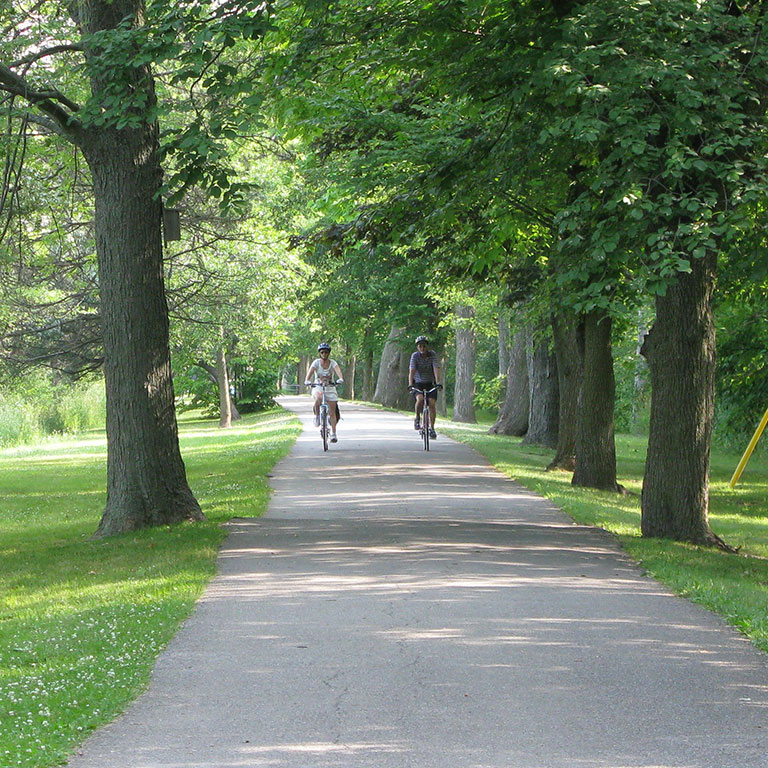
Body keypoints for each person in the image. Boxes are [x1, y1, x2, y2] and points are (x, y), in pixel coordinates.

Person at [305, 342, 344, 442]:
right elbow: (310, 372)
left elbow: (337, 370)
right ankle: (317, 416)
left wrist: (340, 378)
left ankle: (334, 433)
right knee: (318, 397)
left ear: (329, 353)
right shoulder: (316, 363)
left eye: (326, 352)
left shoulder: (333, 363)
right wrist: (307, 381)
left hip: (330, 387)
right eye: (322, 352)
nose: (324, 354)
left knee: (332, 411)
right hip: (318, 386)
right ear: (319, 353)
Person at [408, 335, 440, 439]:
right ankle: (417, 418)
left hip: (430, 382)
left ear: (427, 347)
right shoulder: (415, 356)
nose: (422, 348)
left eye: (424, 346)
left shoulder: (432, 355)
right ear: (418, 347)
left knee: (431, 403)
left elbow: (436, 368)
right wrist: (410, 384)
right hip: (418, 382)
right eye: (420, 346)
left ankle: (432, 428)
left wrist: (438, 382)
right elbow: (412, 371)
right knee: (420, 399)